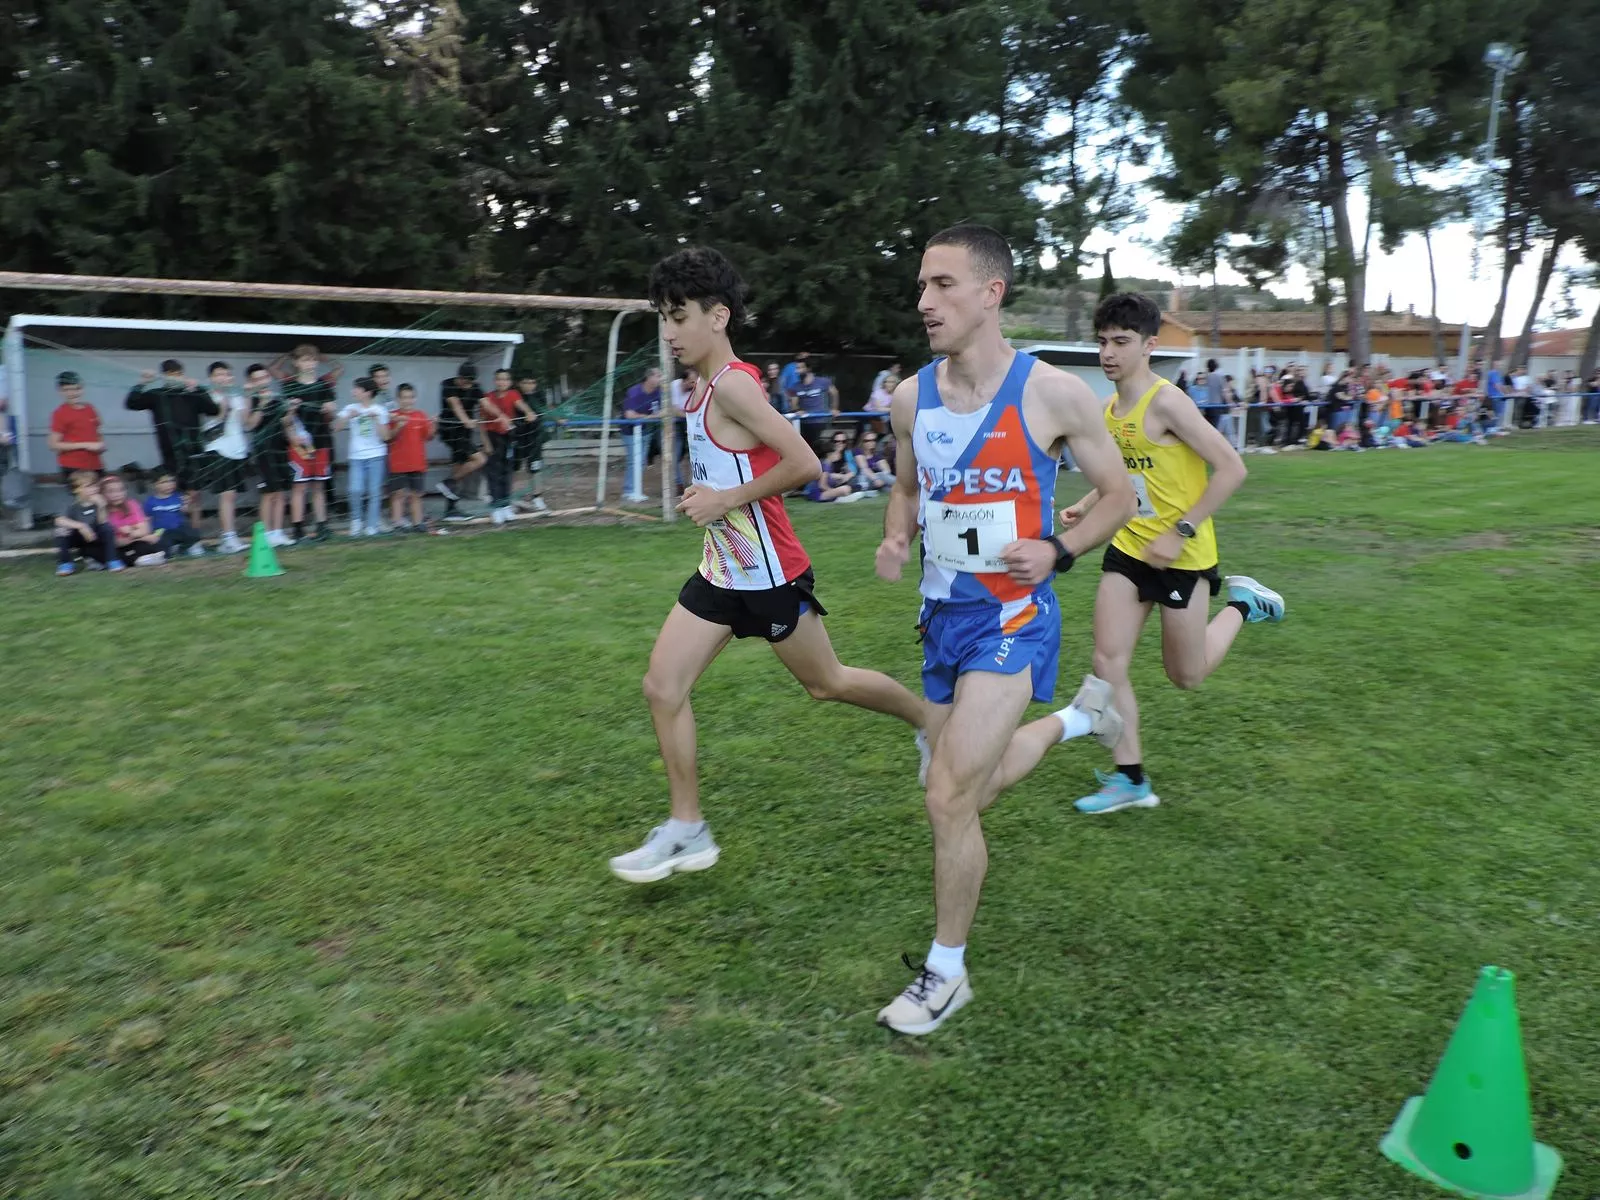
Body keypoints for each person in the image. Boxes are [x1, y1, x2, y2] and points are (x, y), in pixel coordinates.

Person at [873, 225, 1136, 1036]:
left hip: (1014, 619)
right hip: (941, 621)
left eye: (943, 285)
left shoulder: (1054, 394)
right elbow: (908, 490)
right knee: (967, 789)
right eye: (922, 286)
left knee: (948, 793)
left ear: (991, 294)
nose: (925, 302)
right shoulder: (911, 400)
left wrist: (1057, 549)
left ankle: (946, 972)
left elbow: (1121, 497)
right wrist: (896, 534)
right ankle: (1079, 719)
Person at [607, 246, 933, 890]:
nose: (668, 332)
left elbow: (805, 464)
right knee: (662, 687)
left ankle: (930, 723)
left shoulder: (733, 385)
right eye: (663, 318)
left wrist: (724, 498)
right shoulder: (699, 388)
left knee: (827, 683)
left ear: (718, 316)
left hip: (769, 574)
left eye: (679, 317)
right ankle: (687, 827)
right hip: (721, 572)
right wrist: (712, 498)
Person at [1059, 292, 1284, 818]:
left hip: (1182, 555)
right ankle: (1130, 778)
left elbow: (1231, 468)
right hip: (1130, 547)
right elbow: (1124, 472)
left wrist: (1180, 531)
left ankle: (1243, 605)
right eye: (1102, 342)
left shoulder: (1167, 403)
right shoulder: (1108, 410)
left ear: (1149, 346)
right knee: (1107, 661)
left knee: (1186, 675)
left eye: (1121, 341)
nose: (1108, 353)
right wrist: (1087, 504)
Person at [125, 359, 218, 525]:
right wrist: (142, 383)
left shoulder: (193, 395)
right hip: (170, 452)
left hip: (194, 451)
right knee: (172, 493)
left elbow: (213, 410)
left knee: (194, 494)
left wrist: (199, 388)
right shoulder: (157, 395)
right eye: (170, 374)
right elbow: (131, 403)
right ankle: (175, 530)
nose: (175, 377)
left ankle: (194, 533)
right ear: (164, 376)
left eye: (178, 374)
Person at [190, 361, 251, 554]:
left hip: (237, 448)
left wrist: (247, 397)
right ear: (211, 378)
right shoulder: (205, 396)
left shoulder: (237, 397)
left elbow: (246, 423)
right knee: (227, 494)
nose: (223, 378)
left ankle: (230, 536)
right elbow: (211, 420)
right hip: (217, 448)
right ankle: (227, 537)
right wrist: (223, 407)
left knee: (232, 495)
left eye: (226, 374)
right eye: (218, 374)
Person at [282, 345, 338, 541]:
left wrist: (330, 410)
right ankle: (298, 528)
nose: (310, 364)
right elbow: (285, 420)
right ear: (296, 363)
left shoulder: (324, 385)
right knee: (299, 487)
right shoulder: (290, 386)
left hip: (321, 441)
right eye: (305, 360)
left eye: (313, 360)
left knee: (318, 486)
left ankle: (322, 525)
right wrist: (291, 410)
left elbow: (331, 417)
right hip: (299, 443)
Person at [336, 377, 392, 536]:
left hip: (376, 455)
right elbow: (336, 427)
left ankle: (372, 525)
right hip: (356, 457)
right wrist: (347, 417)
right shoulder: (350, 408)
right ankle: (356, 521)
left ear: (367, 392)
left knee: (374, 491)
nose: (353, 391)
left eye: (357, 389)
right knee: (355, 490)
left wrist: (377, 419)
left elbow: (386, 436)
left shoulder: (380, 410)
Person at [246, 364, 295, 547]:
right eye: (257, 379)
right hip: (263, 452)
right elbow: (250, 424)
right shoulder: (251, 399)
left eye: (265, 377)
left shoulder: (277, 399)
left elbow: (285, 423)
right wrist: (261, 404)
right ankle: (266, 534)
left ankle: (278, 532)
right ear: (251, 382)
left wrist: (291, 410)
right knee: (268, 494)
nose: (262, 381)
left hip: (280, 448)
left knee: (281, 493)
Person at [480, 368, 533, 525]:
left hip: (508, 438)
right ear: (494, 381)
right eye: (499, 379)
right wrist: (486, 443)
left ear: (509, 382)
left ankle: (505, 505)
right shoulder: (487, 398)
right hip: (492, 437)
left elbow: (521, 405)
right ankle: (495, 507)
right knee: (493, 474)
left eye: (505, 379)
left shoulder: (513, 394)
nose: (501, 382)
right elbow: (481, 423)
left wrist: (529, 412)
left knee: (507, 472)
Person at [436, 363, 487, 519]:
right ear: (460, 377)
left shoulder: (475, 387)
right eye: (466, 381)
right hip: (451, 431)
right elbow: (456, 404)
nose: (468, 385)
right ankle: (448, 482)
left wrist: (501, 416)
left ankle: (451, 510)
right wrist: (466, 420)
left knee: (459, 469)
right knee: (480, 459)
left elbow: (487, 403)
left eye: (471, 382)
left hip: (465, 434)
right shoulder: (447, 385)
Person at [54, 473, 120, 575]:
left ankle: (112, 560)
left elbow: (102, 522)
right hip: (79, 537)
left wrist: (101, 506)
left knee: (107, 528)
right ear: (76, 489)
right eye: (89, 486)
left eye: (95, 486)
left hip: (96, 537)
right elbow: (59, 520)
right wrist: (81, 526)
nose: (94, 489)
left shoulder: (100, 502)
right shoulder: (71, 504)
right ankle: (65, 563)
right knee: (61, 531)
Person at [387, 384, 433, 532]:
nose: (407, 401)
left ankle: (417, 523)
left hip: (417, 462)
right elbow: (388, 438)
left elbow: (428, 437)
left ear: (415, 398)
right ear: (398, 399)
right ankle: (397, 524)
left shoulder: (421, 416)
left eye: (410, 397)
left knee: (416, 495)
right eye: (404, 397)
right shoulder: (392, 416)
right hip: (398, 463)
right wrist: (398, 426)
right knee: (398, 495)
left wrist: (433, 425)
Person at [101, 474, 167, 565]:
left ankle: (147, 558)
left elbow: (144, 530)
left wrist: (130, 532)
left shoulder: (132, 504)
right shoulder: (103, 512)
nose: (116, 495)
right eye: (111, 491)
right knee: (125, 552)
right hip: (123, 547)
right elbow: (115, 542)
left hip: (139, 542)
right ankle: (144, 559)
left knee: (157, 542)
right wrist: (138, 534)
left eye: (120, 490)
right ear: (103, 494)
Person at [48, 372, 105, 478]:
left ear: (82, 389)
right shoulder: (60, 413)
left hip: (95, 464)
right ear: (59, 391)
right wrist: (86, 445)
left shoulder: (90, 409)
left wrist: (101, 445)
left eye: (76, 389)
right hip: (74, 468)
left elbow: (97, 432)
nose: (72, 393)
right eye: (66, 390)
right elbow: (53, 444)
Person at [620, 368, 662, 504]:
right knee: (634, 461)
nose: (661, 379)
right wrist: (650, 417)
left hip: (646, 431)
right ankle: (629, 491)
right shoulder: (634, 391)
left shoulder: (659, 393)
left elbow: (663, 411)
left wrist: (655, 416)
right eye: (658, 376)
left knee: (642, 462)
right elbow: (629, 415)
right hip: (630, 431)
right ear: (649, 377)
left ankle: (634, 490)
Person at [143, 469, 207, 557]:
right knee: (162, 542)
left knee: (192, 532)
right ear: (155, 485)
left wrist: (188, 504)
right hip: (162, 531)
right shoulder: (150, 502)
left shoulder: (179, 497)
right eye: (164, 482)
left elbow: (187, 510)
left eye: (172, 481)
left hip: (178, 528)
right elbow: (147, 519)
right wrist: (149, 534)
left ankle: (190, 547)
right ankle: (176, 548)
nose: (169, 484)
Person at [512, 373, 551, 514]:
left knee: (535, 467)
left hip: (535, 438)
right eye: (526, 382)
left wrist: (558, 419)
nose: (529, 386)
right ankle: (512, 499)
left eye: (532, 382)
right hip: (518, 437)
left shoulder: (539, 396)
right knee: (515, 468)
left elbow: (544, 411)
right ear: (519, 383)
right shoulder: (514, 396)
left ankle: (537, 497)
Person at [792, 364, 841, 447]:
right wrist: (798, 410)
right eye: (797, 368)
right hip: (805, 423)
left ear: (808, 368)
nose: (797, 371)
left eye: (800, 368)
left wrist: (834, 408)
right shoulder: (796, 386)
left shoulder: (822, 381)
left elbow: (834, 393)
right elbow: (794, 404)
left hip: (820, 421)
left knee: (819, 446)